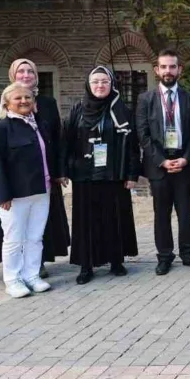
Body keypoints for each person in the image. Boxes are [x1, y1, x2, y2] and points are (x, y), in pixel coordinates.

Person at [0, 59, 69, 278]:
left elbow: (56, 140)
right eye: (20, 71)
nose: (25, 75)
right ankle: (14, 275)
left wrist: (58, 172)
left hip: (42, 180)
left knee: (37, 230)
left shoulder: (46, 105)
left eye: (30, 70)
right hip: (15, 183)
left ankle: (35, 268)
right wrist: (1, 189)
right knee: (14, 232)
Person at [62, 67, 140, 284]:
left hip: (113, 174)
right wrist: (64, 170)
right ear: (88, 84)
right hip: (85, 176)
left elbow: (133, 146)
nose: (100, 86)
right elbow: (66, 142)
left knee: (114, 219)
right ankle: (86, 265)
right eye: (95, 81)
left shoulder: (121, 110)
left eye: (104, 81)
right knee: (86, 222)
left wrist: (132, 174)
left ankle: (116, 260)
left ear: (112, 84)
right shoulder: (77, 110)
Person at [137, 50, 190, 275]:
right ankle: (164, 257)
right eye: (164, 67)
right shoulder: (145, 99)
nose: (168, 71)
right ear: (157, 70)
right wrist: (161, 161)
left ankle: (188, 254)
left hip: (184, 162)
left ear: (180, 70)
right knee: (161, 214)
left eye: (172, 67)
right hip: (159, 166)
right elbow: (143, 134)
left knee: (186, 212)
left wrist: (186, 158)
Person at [0, 83, 54, 298]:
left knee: (35, 237)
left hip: (41, 191)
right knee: (14, 239)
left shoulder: (40, 125)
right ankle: (12, 279)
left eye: (28, 97)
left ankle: (32, 275)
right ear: (7, 103)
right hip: (15, 195)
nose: (24, 101)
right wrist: (2, 194)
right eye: (18, 98)